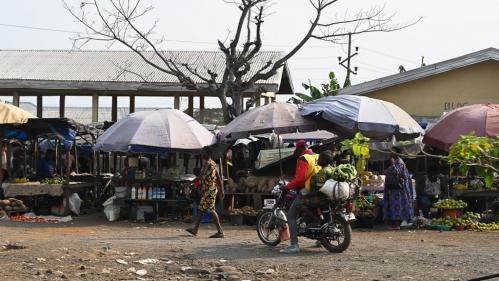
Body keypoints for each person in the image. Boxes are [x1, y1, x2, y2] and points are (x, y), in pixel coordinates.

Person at [280, 141, 321, 254]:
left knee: (291, 214)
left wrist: (288, 186)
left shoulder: (303, 158)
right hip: (320, 189)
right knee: (315, 214)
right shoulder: (317, 156)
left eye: (296, 149)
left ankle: (294, 245)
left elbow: (300, 179)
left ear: (300, 148)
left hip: (308, 190)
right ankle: (320, 240)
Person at [186, 147, 225, 238]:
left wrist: (187, 184)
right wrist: (221, 190)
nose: (201, 154)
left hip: (209, 190)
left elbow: (200, 177)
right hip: (210, 190)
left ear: (208, 153)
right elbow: (219, 178)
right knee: (201, 210)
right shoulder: (213, 163)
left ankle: (220, 232)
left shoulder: (207, 163)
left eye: (203, 153)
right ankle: (195, 229)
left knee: (211, 210)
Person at [383, 154, 414, 230]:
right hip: (394, 188)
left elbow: (394, 171)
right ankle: (396, 224)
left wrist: (391, 165)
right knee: (395, 206)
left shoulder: (399, 163)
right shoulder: (397, 162)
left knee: (397, 206)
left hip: (397, 189)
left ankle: (397, 224)